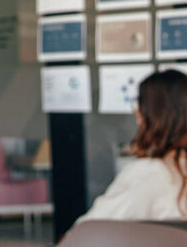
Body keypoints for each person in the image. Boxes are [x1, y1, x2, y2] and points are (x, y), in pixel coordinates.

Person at [78, 69, 187, 222]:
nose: (136, 113)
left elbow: (90, 227)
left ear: (150, 116)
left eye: (140, 105)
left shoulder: (150, 172)